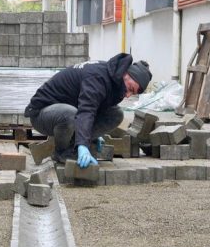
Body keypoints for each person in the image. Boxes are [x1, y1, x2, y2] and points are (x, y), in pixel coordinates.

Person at [24, 53, 152, 167]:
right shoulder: (98, 77)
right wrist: (83, 146)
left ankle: (73, 146)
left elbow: (99, 108)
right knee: (69, 114)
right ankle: (61, 153)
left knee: (116, 114)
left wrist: (95, 135)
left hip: (67, 112)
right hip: (42, 113)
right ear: (125, 74)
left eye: (133, 93)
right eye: (130, 88)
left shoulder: (116, 81)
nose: (128, 95)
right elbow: (87, 110)